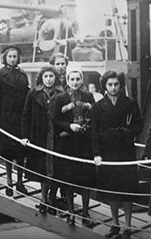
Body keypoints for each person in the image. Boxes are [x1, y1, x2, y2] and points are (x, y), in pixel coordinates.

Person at [91, 72, 143, 238]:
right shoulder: (98, 106)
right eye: (110, 85)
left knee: (126, 190)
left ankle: (127, 226)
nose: (113, 88)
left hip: (126, 152)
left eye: (116, 84)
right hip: (108, 153)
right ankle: (115, 224)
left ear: (121, 85)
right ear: (104, 86)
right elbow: (94, 132)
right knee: (112, 190)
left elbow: (139, 125)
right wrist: (97, 153)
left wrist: (126, 133)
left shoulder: (130, 103)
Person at [50, 70, 96, 226]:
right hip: (68, 143)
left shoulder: (88, 97)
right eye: (72, 79)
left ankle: (85, 212)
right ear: (68, 81)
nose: (75, 82)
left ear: (81, 80)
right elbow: (55, 119)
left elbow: (95, 116)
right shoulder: (60, 98)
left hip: (84, 143)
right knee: (68, 179)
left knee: (85, 179)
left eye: (78, 79)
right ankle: (71, 212)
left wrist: (86, 126)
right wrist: (70, 126)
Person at [21, 65, 63, 214]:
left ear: (55, 78)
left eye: (51, 76)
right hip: (40, 135)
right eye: (46, 76)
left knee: (56, 168)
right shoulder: (33, 93)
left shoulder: (61, 94)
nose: (49, 79)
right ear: (41, 78)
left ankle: (53, 197)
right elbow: (26, 116)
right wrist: (25, 136)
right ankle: (44, 199)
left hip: (56, 136)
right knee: (42, 168)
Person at [0, 46, 30, 195]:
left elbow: (27, 94)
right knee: (8, 151)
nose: (13, 59)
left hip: (20, 117)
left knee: (20, 151)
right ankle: (9, 181)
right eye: (10, 57)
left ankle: (20, 181)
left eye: (15, 56)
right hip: (5, 117)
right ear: (5, 58)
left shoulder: (22, 75)